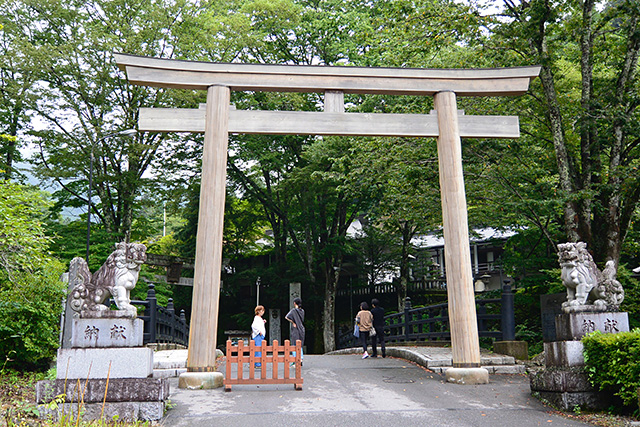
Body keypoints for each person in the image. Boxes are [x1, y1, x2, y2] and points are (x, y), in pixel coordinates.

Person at [285, 297, 305, 366]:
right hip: (301, 329)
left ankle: (295, 359)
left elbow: (287, 317)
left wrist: (293, 322)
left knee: (294, 344)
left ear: (294, 303)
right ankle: (301, 358)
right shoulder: (302, 311)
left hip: (295, 329)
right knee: (300, 344)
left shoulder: (293, 311)